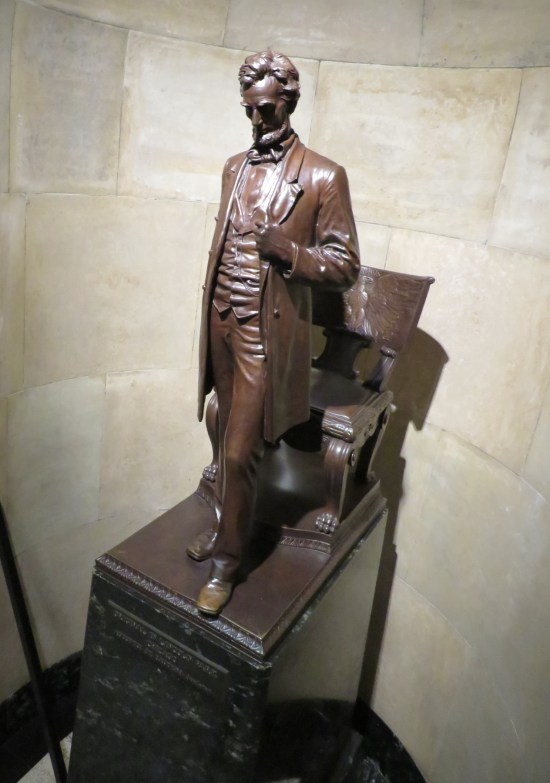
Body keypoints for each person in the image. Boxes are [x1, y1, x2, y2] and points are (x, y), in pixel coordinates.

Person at [187, 50, 360, 615]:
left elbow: (345, 266)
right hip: (221, 319)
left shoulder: (323, 176)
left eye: (265, 108)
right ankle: (226, 526)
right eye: (248, 109)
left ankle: (227, 564)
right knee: (220, 431)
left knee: (241, 452)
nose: (256, 120)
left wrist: (288, 252)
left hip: (267, 332)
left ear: (289, 101)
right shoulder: (233, 167)